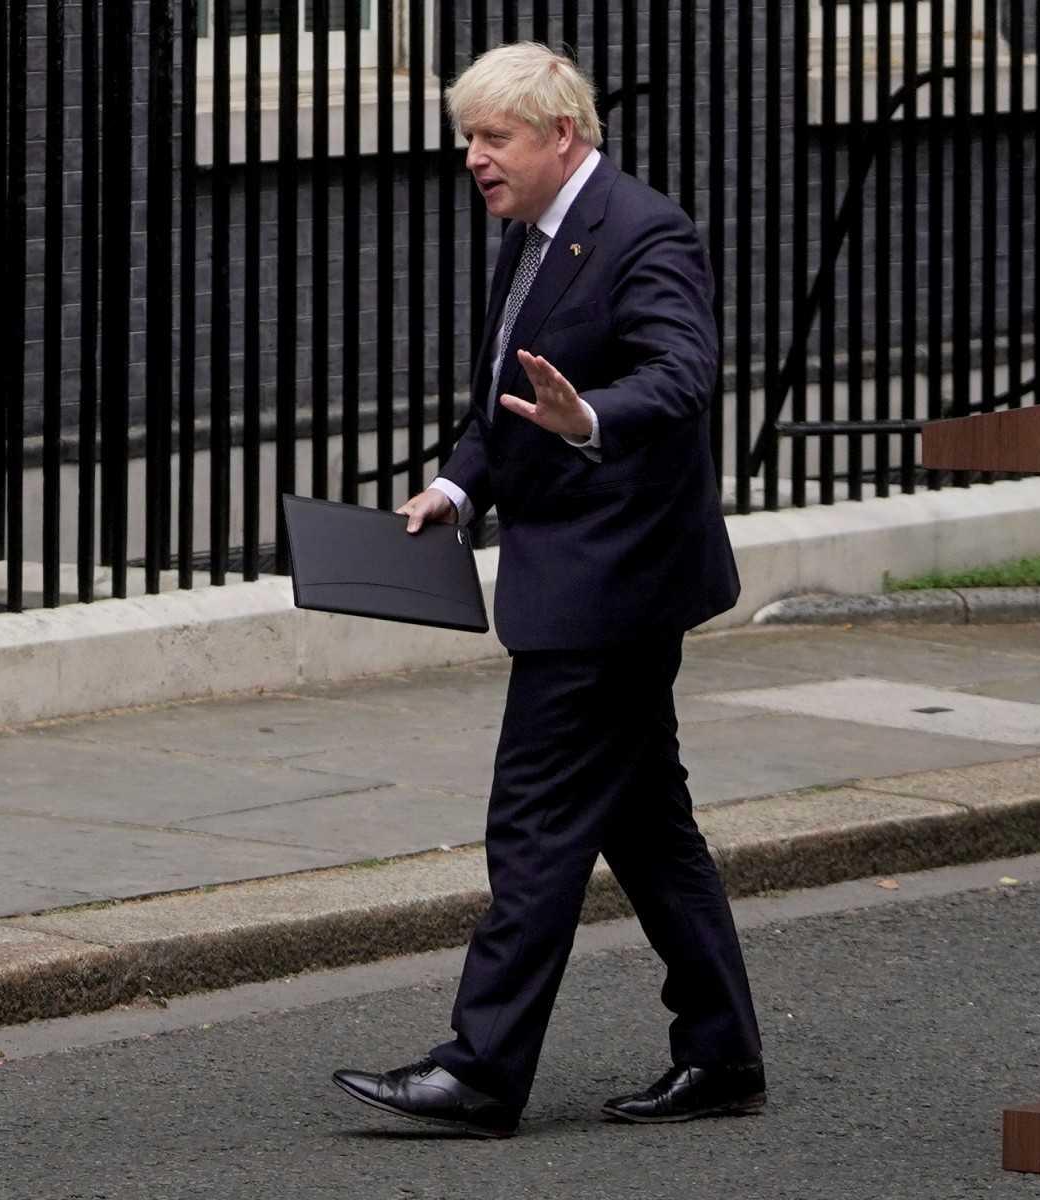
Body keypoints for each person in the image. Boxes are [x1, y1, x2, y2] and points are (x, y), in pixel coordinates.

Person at [330, 42, 765, 1139]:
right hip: (580, 576)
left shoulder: (642, 229)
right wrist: (451, 488)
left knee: (533, 825)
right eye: (467, 138)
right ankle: (721, 1054)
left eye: (493, 138)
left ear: (561, 135)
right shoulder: (534, 238)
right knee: (650, 830)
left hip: (612, 586)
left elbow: (681, 369)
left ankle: (481, 1071)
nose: (473, 158)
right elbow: (501, 403)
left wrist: (592, 419)